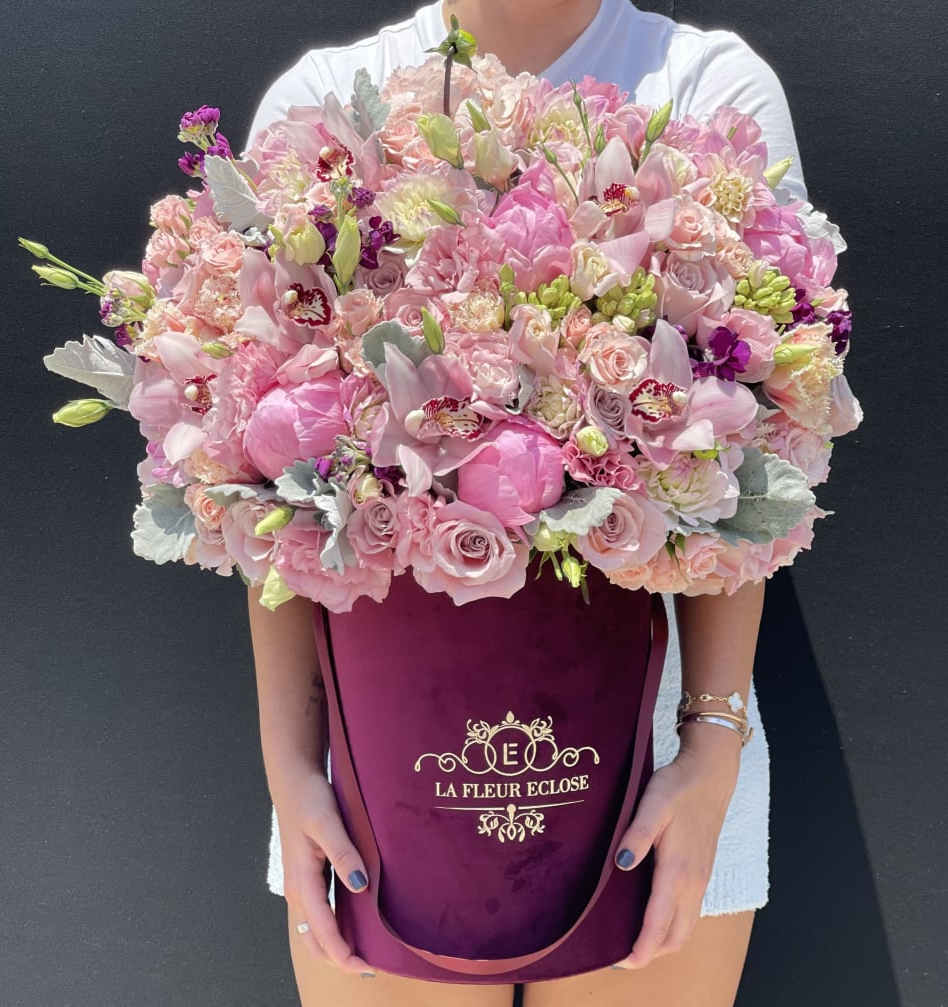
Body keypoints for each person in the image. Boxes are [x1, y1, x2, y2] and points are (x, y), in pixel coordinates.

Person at [244, 1, 809, 1003]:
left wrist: (712, 742)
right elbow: (272, 498)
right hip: (380, 764)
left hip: (660, 764)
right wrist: (289, 767)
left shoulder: (704, 82)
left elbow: (742, 462)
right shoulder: (322, 101)